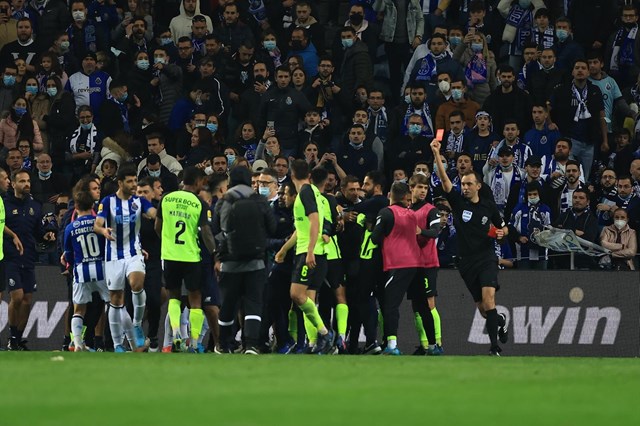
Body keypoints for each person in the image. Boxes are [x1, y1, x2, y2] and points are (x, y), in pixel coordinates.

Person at [430, 137, 509, 356]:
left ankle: (494, 348)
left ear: (478, 186)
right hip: (466, 262)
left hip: (486, 258)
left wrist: (502, 233)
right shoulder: (458, 203)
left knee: (489, 299)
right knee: (484, 311)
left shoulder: (488, 206)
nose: (464, 187)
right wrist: (437, 154)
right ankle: (500, 321)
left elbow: (503, 228)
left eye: (468, 184)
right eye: (463, 184)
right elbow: (445, 181)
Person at [212, 166, 276, 354]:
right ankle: (251, 344)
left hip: (229, 263)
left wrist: (221, 252)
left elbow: (215, 230)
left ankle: (224, 345)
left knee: (228, 304)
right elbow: (272, 228)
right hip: (256, 262)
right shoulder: (259, 200)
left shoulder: (224, 201)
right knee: (253, 303)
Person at [94, 165, 157, 352]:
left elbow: (152, 212)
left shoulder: (139, 202)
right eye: (129, 181)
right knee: (115, 299)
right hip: (113, 255)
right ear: (120, 182)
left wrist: (158, 214)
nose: (133, 184)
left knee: (137, 284)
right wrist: (103, 230)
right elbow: (97, 225)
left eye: (135, 180)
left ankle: (137, 324)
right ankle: (116, 343)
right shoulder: (107, 202)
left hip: (133, 252)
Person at [274, 160, 334, 354]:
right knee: (307, 298)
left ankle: (324, 333)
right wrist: (283, 249)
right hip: (313, 251)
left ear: (292, 176)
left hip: (310, 253)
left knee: (296, 294)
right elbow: (301, 229)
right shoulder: (311, 193)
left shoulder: (306, 192)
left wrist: (309, 251)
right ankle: (319, 340)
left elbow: (315, 221)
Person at [155, 166, 215, 353]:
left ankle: (176, 334)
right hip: (190, 256)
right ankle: (195, 342)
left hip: (170, 255)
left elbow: (158, 226)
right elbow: (205, 232)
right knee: (195, 299)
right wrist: (214, 252)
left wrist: (166, 242)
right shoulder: (199, 203)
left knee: (174, 296)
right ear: (197, 182)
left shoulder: (166, 199)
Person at [4, 169, 54, 350]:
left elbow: (38, 231)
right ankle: (11, 335)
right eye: (22, 181)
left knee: (27, 300)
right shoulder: (5, 203)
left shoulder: (35, 205)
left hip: (29, 257)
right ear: (14, 183)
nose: (26, 184)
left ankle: (17, 339)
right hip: (11, 257)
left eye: (28, 181)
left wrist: (46, 234)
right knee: (16, 297)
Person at [370, 181, 421, 355]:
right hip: (415, 264)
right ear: (406, 196)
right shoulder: (412, 214)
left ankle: (392, 345)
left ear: (390, 194)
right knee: (421, 305)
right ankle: (431, 344)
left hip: (397, 264)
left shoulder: (386, 213)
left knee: (390, 305)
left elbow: (375, 239)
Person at [62, 179, 109, 352]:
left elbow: (67, 253)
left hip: (81, 271)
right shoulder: (99, 223)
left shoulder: (71, 227)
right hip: (101, 269)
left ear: (76, 206)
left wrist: (70, 266)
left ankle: (77, 343)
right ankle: (122, 341)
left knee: (78, 309)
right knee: (114, 304)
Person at [408, 173, 443, 355]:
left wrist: (420, 231)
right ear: (411, 188)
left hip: (428, 263)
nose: (423, 191)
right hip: (411, 263)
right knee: (416, 306)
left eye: (425, 188)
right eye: (419, 187)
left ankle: (437, 343)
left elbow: (436, 231)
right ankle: (424, 345)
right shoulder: (407, 210)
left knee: (429, 304)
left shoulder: (431, 210)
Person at [0, 168, 23, 349]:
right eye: (5, 178)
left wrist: (12, 234)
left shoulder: (0, 200)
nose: (8, 181)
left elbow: (1, 225)